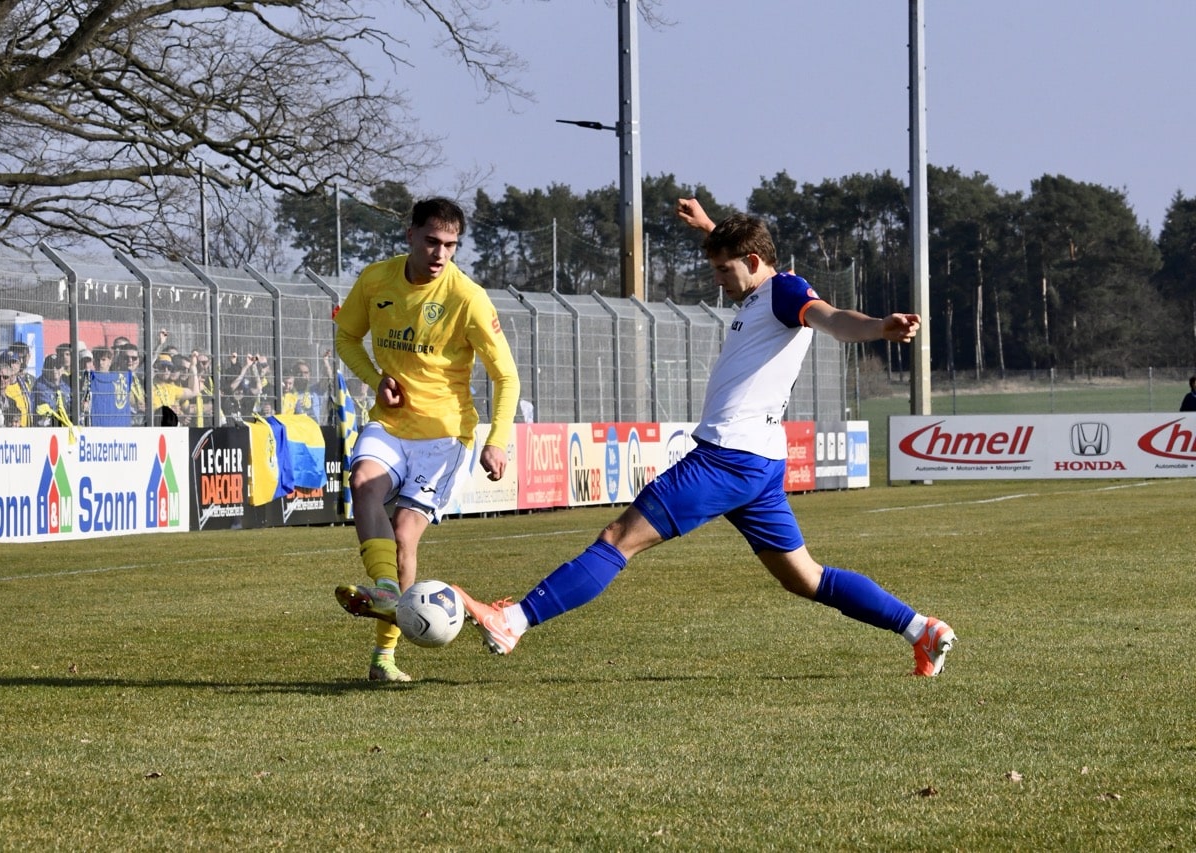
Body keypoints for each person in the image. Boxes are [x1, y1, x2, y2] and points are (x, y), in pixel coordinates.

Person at [452, 199, 956, 677]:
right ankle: (921, 629)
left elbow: (833, 320)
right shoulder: (760, 288)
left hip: (727, 458)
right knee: (804, 577)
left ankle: (513, 621)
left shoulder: (785, 291)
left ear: (754, 261)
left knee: (617, 540)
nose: (718, 282)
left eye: (722, 270)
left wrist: (878, 327)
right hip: (756, 463)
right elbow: (741, 252)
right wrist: (708, 227)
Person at [333, 197, 521, 682]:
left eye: (451, 245)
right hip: (392, 423)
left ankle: (384, 657)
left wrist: (497, 440)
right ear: (410, 235)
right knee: (363, 482)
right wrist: (377, 381)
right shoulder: (376, 280)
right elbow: (346, 338)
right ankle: (385, 591)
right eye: (433, 241)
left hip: (444, 436)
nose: (441, 254)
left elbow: (507, 378)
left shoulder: (468, 298)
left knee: (403, 537)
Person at [32, 354, 74, 426]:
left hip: (66, 426)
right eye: (50, 366)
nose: (54, 370)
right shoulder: (39, 387)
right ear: (44, 370)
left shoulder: (67, 387)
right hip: (47, 428)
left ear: (62, 369)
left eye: (57, 366)